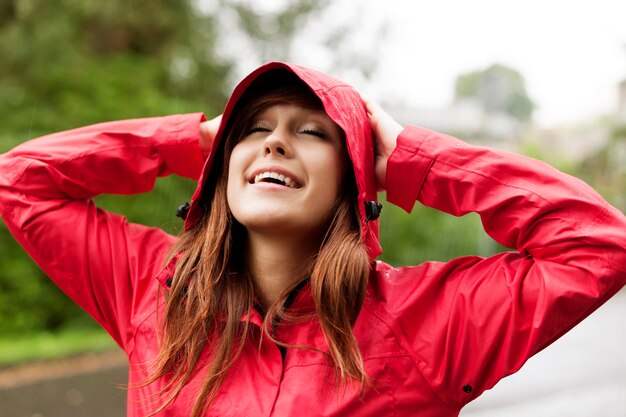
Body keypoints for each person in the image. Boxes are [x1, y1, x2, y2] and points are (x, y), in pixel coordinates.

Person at [0, 61, 624, 417]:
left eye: (312, 132)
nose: (274, 141)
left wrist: (412, 161)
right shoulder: (150, 287)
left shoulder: (425, 321)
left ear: (354, 175)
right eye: (254, 128)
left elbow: (598, 245)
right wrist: (189, 141)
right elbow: (19, 183)